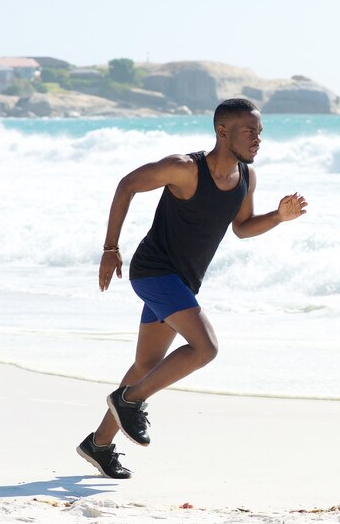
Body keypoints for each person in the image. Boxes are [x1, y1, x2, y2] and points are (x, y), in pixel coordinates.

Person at [77, 98, 307, 479]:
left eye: (260, 132)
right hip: (154, 272)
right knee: (206, 347)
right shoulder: (185, 169)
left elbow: (243, 227)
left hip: (182, 281)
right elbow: (127, 185)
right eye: (250, 131)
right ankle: (129, 400)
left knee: (147, 365)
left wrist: (279, 217)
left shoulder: (247, 177)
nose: (257, 139)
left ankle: (98, 444)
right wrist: (110, 249)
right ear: (223, 132)